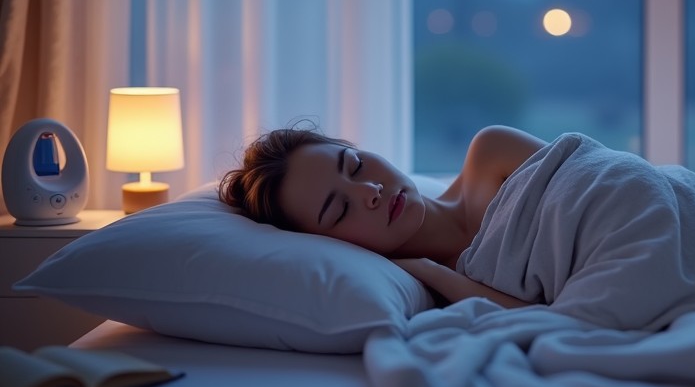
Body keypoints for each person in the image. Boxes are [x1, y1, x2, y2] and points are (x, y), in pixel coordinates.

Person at [219, 124, 547, 309]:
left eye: (356, 166)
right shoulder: (436, 295)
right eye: (340, 209)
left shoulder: (493, 153)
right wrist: (430, 271)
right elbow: (551, 319)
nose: (370, 189)